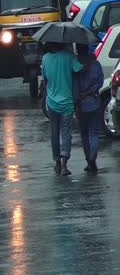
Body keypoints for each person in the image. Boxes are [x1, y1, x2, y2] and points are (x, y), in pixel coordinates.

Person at [41, 42, 83, 175]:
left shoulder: (45, 58)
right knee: (66, 133)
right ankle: (64, 164)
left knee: (54, 132)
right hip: (66, 102)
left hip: (52, 102)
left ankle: (57, 162)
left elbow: (45, 78)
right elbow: (79, 69)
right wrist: (89, 61)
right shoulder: (68, 56)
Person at [74, 45, 104, 172]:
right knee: (94, 133)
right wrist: (90, 91)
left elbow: (73, 85)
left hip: (81, 105)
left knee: (84, 134)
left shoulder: (75, 66)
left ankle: (89, 160)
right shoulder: (96, 64)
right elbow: (100, 82)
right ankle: (93, 157)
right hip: (94, 102)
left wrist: (76, 101)